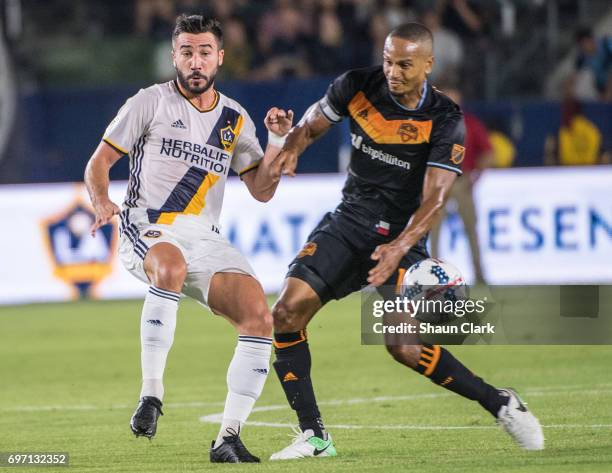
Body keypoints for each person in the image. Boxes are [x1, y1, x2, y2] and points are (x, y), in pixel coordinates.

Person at [268, 23, 544, 460]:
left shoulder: (445, 119)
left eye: (404, 64)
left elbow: (435, 199)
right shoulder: (355, 86)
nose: (392, 71)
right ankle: (315, 438)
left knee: (405, 347)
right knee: (285, 312)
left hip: (402, 237)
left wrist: (399, 248)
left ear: (428, 65)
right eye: (387, 60)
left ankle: (501, 402)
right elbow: (311, 124)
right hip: (348, 222)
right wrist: (292, 143)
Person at [84, 14, 293, 463]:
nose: (194, 62)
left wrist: (276, 141)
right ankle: (151, 395)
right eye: (186, 52)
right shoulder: (150, 102)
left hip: (206, 236)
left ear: (220, 57)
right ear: (173, 56)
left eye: (203, 53)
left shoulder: (235, 118)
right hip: (149, 224)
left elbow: (261, 190)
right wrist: (102, 202)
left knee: (259, 315)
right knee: (172, 267)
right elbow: (99, 162)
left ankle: (228, 438)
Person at [429, 84, 492, 283]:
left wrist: (475, 177)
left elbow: (488, 153)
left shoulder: (470, 124)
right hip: (439, 181)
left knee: (470, 228)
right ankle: (433, 275)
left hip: (461, 180)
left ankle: (479, 274)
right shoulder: (432, 125)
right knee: (434, 230)